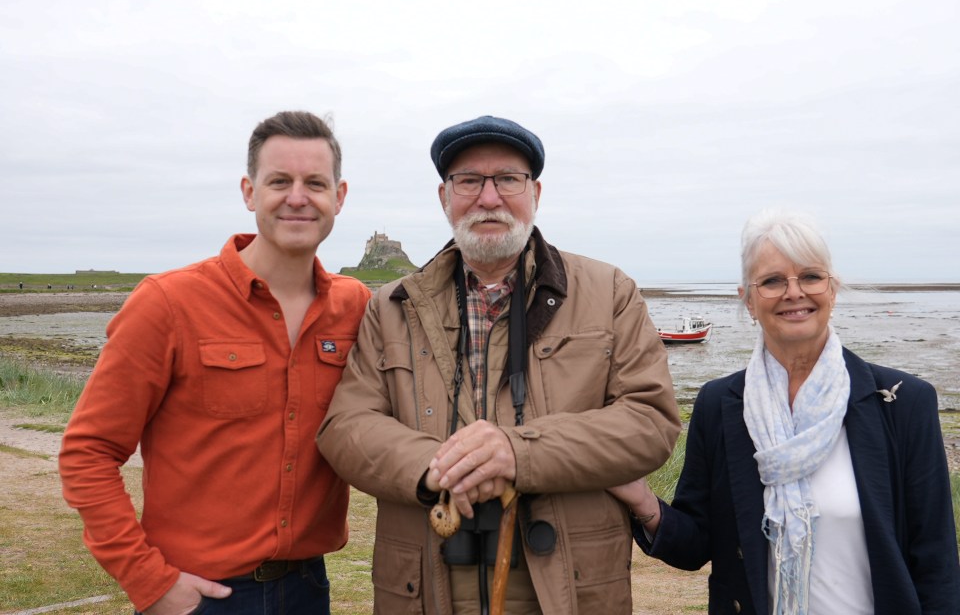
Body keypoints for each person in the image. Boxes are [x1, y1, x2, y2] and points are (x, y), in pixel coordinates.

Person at [316, 115, 681, 614]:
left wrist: (516, 452)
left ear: (536, 193)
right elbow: (346, 427)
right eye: (468, 181)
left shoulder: (611, 293)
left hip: (568, 589)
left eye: (508, 179)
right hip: (424, 585)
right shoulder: (392, 306)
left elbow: (650, 422)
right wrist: (438, 469)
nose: (489, 198)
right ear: (444, 198)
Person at [59, 111, 371, 614]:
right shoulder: (168, 302)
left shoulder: (355, 307)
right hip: (201, 595)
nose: (298, 197)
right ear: (249, 193)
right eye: (279, 182)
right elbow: (88, 452)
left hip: (308, 588)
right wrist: (150, 583)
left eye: (315, 182)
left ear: (340, 195)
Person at [610, 209, 960, 615]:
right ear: (749, 300)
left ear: (832, 290)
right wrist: (642, 499)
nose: (794, 292)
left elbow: (936, 562)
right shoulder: (719, 404)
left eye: (810, 276)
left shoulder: (902, 402)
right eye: (773, 281)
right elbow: (697, 544)